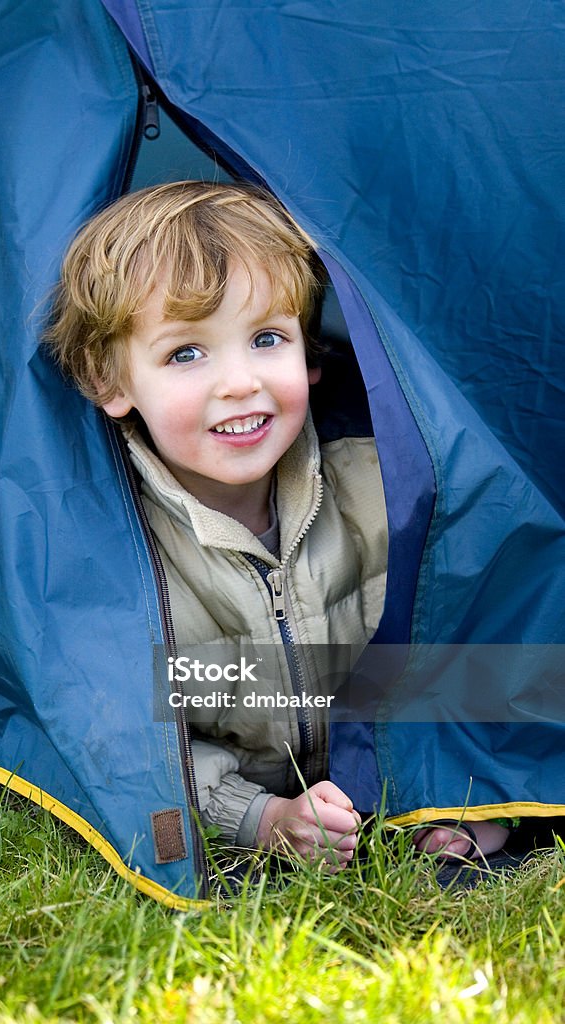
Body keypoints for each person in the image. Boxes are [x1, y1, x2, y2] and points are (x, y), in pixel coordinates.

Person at [46, 180, 509, 867]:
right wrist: (259, 819)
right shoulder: (112, 549)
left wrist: (455, 783)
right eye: (185, 353)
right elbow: (110, 731)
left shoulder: (380, 485)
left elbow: (473, 632)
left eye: (266, 338)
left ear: (309, 351)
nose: (238, 381)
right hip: (255, 791)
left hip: (381, 767)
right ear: (108, 382)